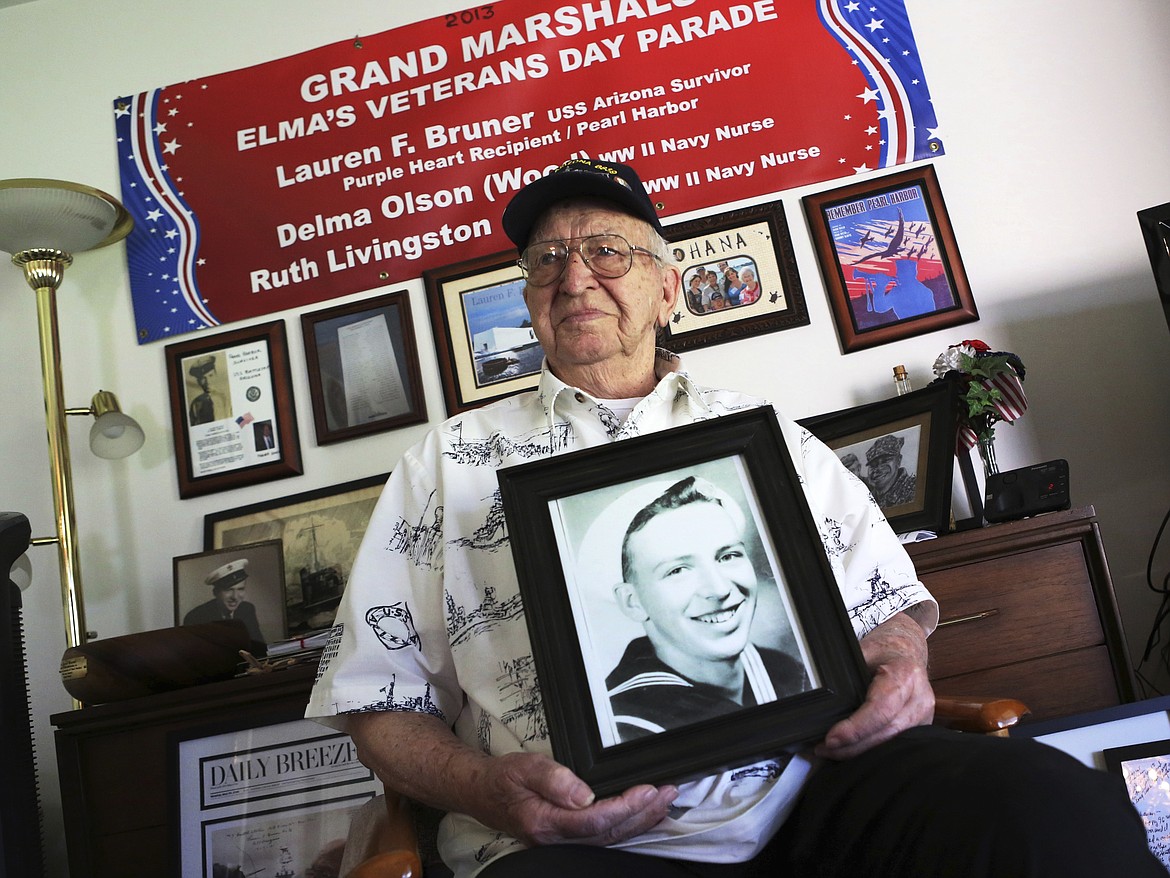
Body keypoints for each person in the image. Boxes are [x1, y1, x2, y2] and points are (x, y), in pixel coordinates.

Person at [306, 158, 1162, 877]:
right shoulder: (443, 467)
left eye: (609, 252)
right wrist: (486, 790)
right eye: (546, 261)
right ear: (529, 300)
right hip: (580, 839)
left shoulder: (762, 435)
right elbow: (376, 700)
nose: (573, 277)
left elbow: (885, 608)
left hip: (814, 787)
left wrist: (900, 663)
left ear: (669, 288)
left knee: (1046, 805)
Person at [606, 476, 810, 741]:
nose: (719, 589)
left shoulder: (789, 672)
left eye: (728, 556)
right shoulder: (622, 724)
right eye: (677, 570)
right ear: (633, 602)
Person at [183, 558, 264, 644]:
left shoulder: (247, 609)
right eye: (228, 590)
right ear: (215, 593)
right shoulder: (195, 617)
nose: (235, 597)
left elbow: (259, 646)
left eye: (240, 589)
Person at [865, 434, 917, 508]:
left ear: (898, 461)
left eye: (885, 461)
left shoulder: (914, 490)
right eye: (873, 465)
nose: (878, 469)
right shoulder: (865, 499)